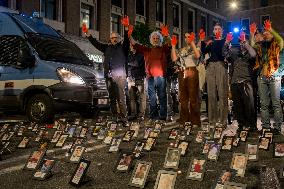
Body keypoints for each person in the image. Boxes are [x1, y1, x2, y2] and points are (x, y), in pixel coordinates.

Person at [85, 16, 131, 126]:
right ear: (110, 39)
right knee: (112, 98)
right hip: (109, 76)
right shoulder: (107, 48)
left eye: (116, 37)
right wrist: (88, 35)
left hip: (119, 76)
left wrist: (125, 28)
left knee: (121, 98)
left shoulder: (123, 47)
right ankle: (115, 116)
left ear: (119, 39)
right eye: (112, 38)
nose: (114, 39)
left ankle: (124, 119)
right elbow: (96, 44)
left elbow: (127, 41)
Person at [130, 26, 171, 122]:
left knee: (162, 97)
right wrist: (129, 34)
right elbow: (134, 44)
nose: (156, 40)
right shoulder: (146, 50)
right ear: (151, 39)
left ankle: (163, 117)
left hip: (161, 77)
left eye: (157, 38)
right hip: (150, 77)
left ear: (160, 39)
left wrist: (166, 35)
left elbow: (170, 43)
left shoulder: (163, 49)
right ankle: (153, 117)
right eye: (154, 38)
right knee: (152, 99)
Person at [250, 20, 283, 134]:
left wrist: (271, 29)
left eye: (267, 32)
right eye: (264, 33)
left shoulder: (277, 44)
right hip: (262, 77)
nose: (265, 34)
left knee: (276, 104)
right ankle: (266, 127)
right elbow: (252, 44)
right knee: (263, 104)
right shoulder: (260, 45)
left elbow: (280, 39)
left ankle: (277, 128)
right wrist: (252, 33)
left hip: (274, 77)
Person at [222, 31, 257, 131]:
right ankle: (241, 125)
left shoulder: (249, 53)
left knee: (249, 105)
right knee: (238, 106)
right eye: (240, 41)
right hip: (234, 82)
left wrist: (245, 42)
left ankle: (252, 126)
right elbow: (224, 53)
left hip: (246, 81)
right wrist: (227, 41)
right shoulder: (234, 53)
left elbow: (254, 55)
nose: (241, 43)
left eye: (243, 41)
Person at [200, 23, 228, 128]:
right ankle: (212, 120)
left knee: (222, 93)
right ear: (213, 30)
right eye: (215, 29)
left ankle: (223, 121)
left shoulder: (225, 41)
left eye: (219, 29)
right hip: (210, 66)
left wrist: (218, 41)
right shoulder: (210, 41)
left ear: (222, 30)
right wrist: (203, 41)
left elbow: (222, 53)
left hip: (221, 65)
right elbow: (203, 51)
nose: (217, 30)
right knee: (211, 94)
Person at [171, 32, 201, 127]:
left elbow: (197, 56)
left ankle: (195, 120)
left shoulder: (196, 47)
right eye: (186, 37)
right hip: (182, 71)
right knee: (183, 97)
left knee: (193, 97)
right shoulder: (182, 49)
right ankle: (184, 119)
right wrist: (173, 46)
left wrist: (192, 43)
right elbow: (174, 59)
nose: (187, 38)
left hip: (192, 70)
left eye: (189, 37)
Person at [127, 44, 146, 121]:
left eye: (134, 46)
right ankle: (133, 114)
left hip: (140, 79)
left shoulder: (141, 55)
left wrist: (128, 63)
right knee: (132, 98)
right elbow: (128, 67)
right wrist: (128, 77)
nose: (132, 48)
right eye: (131, 46)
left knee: (142, 98)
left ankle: (141, 115)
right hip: (131, 79)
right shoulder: (129, 55)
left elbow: (137, 63)